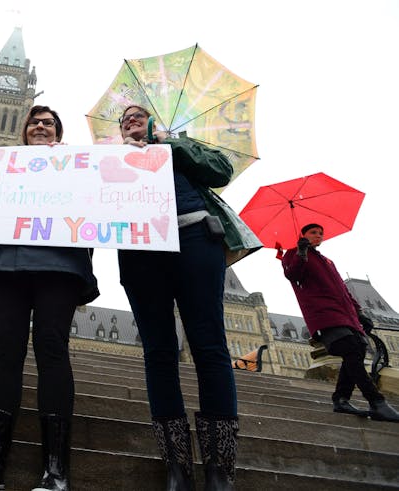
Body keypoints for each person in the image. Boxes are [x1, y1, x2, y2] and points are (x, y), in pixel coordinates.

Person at [0, 106, 99, 491]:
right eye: (34, 122)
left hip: (60, 265)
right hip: (11, 264)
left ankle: (56, 472)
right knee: (6, 353)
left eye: (48, 122)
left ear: (57, 133)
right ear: (23, 132)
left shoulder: (77, 164)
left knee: (51, 350)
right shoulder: (3, 165)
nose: (40, 126)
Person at [116, 105, 260, 491]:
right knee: (159, 352)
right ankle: (177, 466)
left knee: (209, 346)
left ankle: (219, 469)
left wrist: (170, 144)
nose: (130, 118)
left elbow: (220, 171)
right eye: (124, 118)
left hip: (194, 235)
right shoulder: (109, 158)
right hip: (140, 249)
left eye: (138, 114)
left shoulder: (179, 145)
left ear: (154, 121)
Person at [283, 223, 399, 422]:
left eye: (321, 233)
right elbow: (292, 274)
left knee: (357, 352)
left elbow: (343, 291)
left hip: (346, 315)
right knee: (352, 351)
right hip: (325, 315)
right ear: (303, 235)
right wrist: (301, 252)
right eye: (313, 233)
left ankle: (341, 399)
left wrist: (359, 312)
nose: (318, 236)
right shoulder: (293, 254)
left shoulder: (327, 261)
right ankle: (376, 402)